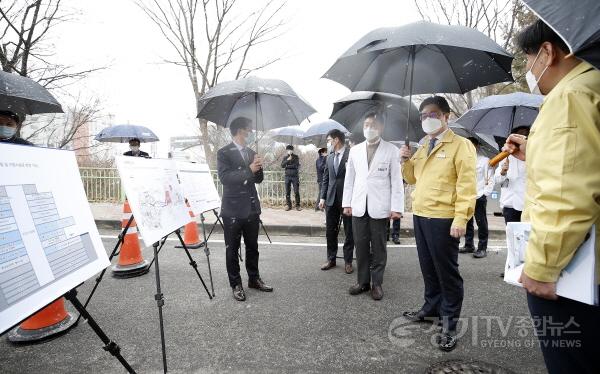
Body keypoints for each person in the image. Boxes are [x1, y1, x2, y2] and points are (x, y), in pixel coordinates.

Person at [500, 20, 600, 374]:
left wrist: (541, 267)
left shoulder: (570, 96)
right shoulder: (591, 85)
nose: (528, 69)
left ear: (547, 51)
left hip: (573, 271)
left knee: (572, 360)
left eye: (528, 57)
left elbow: (566, 194)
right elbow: (583, 164)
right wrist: (533, 150)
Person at [400, 96, 476, 352]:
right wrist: (405, 160)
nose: (426, 119)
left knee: (447, 273)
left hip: (444, 219)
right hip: (421, 214)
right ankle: (430, 307)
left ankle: (449, 323)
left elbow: (467, 185)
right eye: (423, 116)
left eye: (432, 114)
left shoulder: (460, 145)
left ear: (446, 116)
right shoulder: (423, 146)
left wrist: (461, 218)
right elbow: (412, 178)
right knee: (428, 267)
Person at [342, 112, 403, 301]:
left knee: (379, 247)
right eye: (366, 124)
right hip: (359, 205)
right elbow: (349, 179)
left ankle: (376, 283)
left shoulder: (392, 150)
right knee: (360, 245)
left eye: (374, 125)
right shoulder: (355, 150)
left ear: (381, 128)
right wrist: (347, 203)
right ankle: (362, 282)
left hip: (380, 206)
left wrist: (397, 207)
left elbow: (396, 181)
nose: (369, 128)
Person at [217, 117, 273, 302]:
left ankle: (254, 279)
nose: (251, 133)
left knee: (253, 247)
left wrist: (258, 166)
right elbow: (225, 178)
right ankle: (236, 284)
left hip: (251, 207)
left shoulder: (251, 152)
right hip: (232, 209)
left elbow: (258, 180)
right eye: (249, 130)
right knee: (232, 249)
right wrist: (249, 169)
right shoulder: (224, 152)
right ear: (240, 131)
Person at [319, 129, 354, 274]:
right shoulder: (329, 157)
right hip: (331, 199)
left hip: (347, 200)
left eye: (329, 140)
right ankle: (331, 259)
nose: (328, 143)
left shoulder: (351, 154)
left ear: (336, 140)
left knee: (349, 231)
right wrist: (322, 198)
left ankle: (348, 261)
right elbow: (326, 178)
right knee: (330, 231)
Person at [460, 137, 494, 258]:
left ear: (477, 146)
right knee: (467, 221)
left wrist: (485, 193)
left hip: (479, 195)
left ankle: (482, 248)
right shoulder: (463, 160)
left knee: (481, 222)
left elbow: (490, 178)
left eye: (471, 145)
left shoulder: (484, 160)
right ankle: (469, 245)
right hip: (466, 195)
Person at [494, 126, 529, 224]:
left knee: (528, 237)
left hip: (528, 205)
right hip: (510, 204)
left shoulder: (533, 156)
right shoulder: (505, 155)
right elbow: (497, 180)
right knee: (512, 237)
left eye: (524, 136)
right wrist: (503, 172)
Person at [281, 144, 301, 211]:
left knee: (296, 191)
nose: (289, 151)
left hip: (295, 177)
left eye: (290, 150)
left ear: (292, 150)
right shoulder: (285, 157)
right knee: (287, 192)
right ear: (287, 150)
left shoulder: (296, 157)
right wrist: (287, 160)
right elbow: (282, 165)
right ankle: (288, 205)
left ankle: (298, 205)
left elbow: (296, 165)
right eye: (288, 150)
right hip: (287, 177)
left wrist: (287, 166)